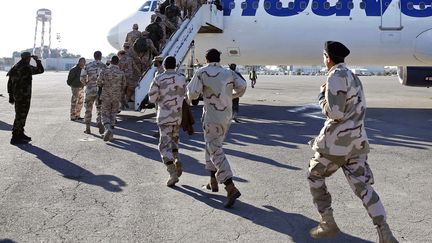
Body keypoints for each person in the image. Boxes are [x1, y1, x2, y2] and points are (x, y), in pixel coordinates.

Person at [307, 41, 398, 242]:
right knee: (363, 188)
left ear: (328, 57)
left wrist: (322, 97)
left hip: (337, 144)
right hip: (357, 143)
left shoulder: (335, 76)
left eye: (324, 56)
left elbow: (336, 112)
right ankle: (385, 232)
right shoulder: (353, 77)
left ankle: (327, 222)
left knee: (314, 175)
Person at [187, 48, 247, 208]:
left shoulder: (202, 72)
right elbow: (242, 87)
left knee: (214, 148)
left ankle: (230, 185)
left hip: (212, 116)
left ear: (206, 59)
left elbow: (192, 94)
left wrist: (200, 95)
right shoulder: (229, 72)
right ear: (219, 59)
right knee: (211, 146)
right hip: (226, 116)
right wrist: (230, 96)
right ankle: (213, 181)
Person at [148, 56, 186, 187]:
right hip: (177, 116)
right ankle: (177, 159)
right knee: (174, 140)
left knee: (163, 146)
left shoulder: (159, 78)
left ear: (164, 65)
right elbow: (186, 94)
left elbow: (152, 98)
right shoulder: (182, 77)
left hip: (164, 117)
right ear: (175, 65)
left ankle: (172, 173)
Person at [7, 52, 44, 145]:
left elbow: (9, 83)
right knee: (21, 115)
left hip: (17, 95)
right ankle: (15, 137)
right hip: (23, 96)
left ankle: (20, 133)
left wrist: (11, 96)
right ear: (27, 58)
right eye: (30, 58)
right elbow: (40, 70)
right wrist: (38, 61)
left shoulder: (15, 66)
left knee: (20, 115)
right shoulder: (26, 67)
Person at [97, 56, 126, 142]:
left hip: (106, 96)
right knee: (113, 114)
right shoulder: (121, 72)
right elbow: (124, 85)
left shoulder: (104, 71)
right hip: (116, 97)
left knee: (104, 114)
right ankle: (111, 134)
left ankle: (108, 129)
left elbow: (99, 83)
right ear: (118, 62)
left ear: (111, 62)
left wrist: (99, 96)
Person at [82, 51, 107, 134]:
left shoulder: (88, 65)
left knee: (88, 109)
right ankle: (99, 121)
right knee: (100, 108)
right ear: (101, 56)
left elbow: (82, 78)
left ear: (94, 56)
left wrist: (87, 84)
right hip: (100, 90)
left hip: (90, 90)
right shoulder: (104, 66)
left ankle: (88, 128)